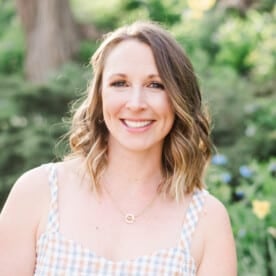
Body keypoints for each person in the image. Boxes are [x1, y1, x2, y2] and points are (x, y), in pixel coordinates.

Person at [0, 21, 237, 275]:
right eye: (120, 83)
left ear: (179, 100)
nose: (136, 103)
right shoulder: (38, 192)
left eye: (155, 85)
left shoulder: (207, 220)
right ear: (100, 95)